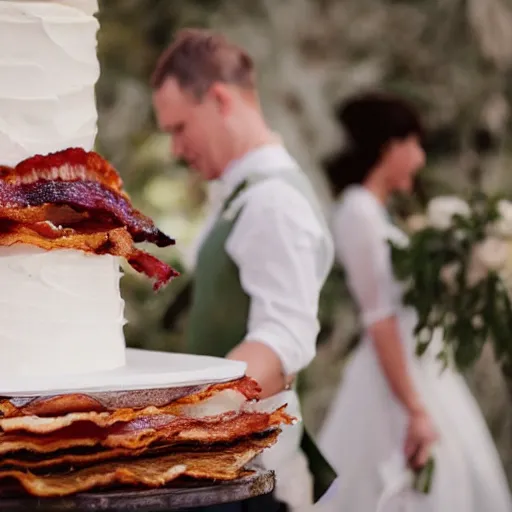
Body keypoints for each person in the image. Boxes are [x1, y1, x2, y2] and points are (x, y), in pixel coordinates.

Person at [151, 28, 336, 511]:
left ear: (219, 99)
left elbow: (279, 343)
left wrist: (181, 422)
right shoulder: (241, 192)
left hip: (249, 476)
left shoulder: (273, 201)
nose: (174, 148)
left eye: (179, 128)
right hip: (227, 466)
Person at [316, 92, 512, 511]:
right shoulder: (358, 212)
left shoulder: (377, 212)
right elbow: (379, 319)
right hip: (395, 378)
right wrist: (415, 411)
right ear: (390, 148)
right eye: (414, 144)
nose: (420, 159)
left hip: (419, 365)